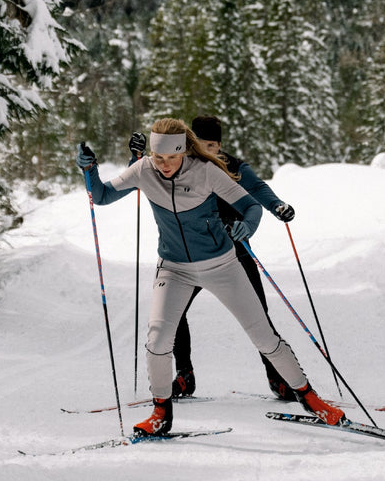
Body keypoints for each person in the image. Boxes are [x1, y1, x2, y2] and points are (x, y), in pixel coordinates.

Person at [77, 118, 344, 437]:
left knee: (264, 336)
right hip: (174, 268)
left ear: (183, 151)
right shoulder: (144, 169)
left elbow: (250, 204)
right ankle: (161, 412)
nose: (164, 165)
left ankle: (311, 399)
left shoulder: (206, 171)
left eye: (172, 158)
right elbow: (102, 196)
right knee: (158, 339)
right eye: (159, 158)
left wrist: (250, 224)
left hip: (222, 264)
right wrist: (89, 169)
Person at [128, 116, 297, 401]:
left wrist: (276, 205)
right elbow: (144, 176)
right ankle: (185, 376)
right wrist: (136, 157)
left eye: (213, 145)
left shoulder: (230, 166)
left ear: (219, 145)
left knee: (259, 315)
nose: (207, 150)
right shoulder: (180, 165)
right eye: (202, 144)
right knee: (174, 314)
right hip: (188, 257)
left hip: (233, 251)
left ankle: (278, 378)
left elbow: (257, 189)